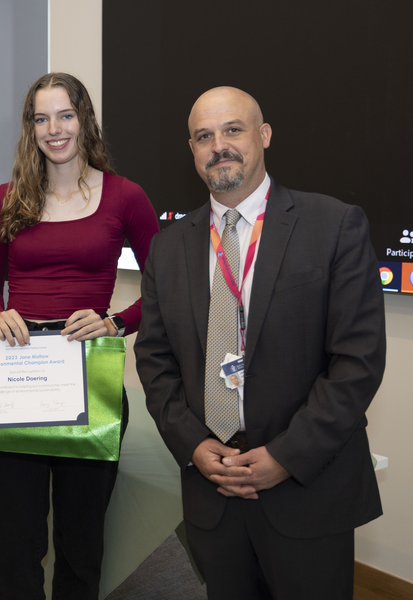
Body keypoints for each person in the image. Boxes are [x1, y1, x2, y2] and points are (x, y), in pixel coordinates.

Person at [135, 86, 386, 600]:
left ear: (264, 136)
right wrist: (194, 446)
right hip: (213, 487)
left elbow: (356, 363)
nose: (218, 145)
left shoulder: (333, 226)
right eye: (204, 136)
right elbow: (155, 362)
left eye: (233, 130)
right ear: (192, 150)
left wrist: (286, 456)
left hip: (306, 490)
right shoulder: (168, 247)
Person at [0, 72, 159, 599]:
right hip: (17, 381)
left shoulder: (126, 197)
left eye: (65, 115)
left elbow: (166, 286)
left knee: (80, 547)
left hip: (88, 384)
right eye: (41, 118)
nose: (54, 129)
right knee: (13, 544)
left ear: (85, 120)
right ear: (30, 128)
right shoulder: (5, 199)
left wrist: (116, 322)